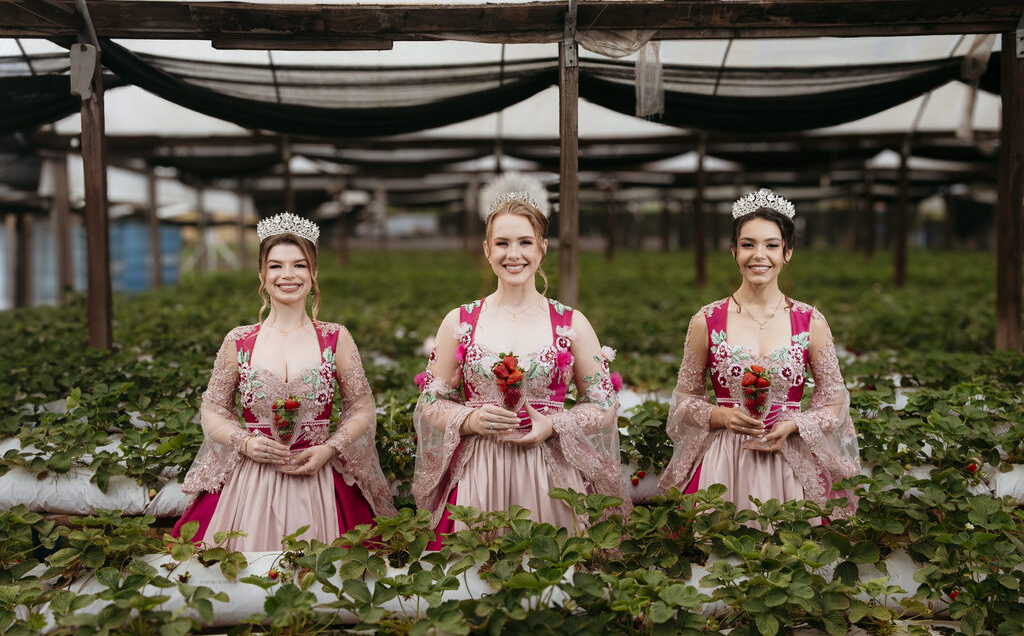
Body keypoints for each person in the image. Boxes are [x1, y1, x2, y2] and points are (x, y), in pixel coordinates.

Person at [412, 173, 630, 545]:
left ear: (542, 248)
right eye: (502, 243)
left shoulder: (571, 322)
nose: (514, 254)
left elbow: (605, 404)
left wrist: (555, 424)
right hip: (480, 470)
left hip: (550, 472)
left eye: (525, 242)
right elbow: (430, 402)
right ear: (486, 250)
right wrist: (469, 418)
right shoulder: (459, 321)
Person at [173, 212, 395, 550]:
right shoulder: (239, 340)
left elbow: (361, 408)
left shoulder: (336, 337)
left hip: (318, 473)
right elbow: (213, 409)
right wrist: (244, 442)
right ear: (262, 274)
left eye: (299, 265)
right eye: (276, 266)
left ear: (314, 273)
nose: (287, 275)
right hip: (250, 482)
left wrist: (329, 448)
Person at [659, 188, 860, 516]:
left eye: (771, 245)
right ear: (733, 251)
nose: (759, 255)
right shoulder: (706, 320)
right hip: (722, 462)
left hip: (791, 458)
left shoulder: (811, 321)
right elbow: (685, 399)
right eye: (748, 244)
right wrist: (720, 415)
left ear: (788, 252)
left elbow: (835, 399)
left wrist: (795, 425)